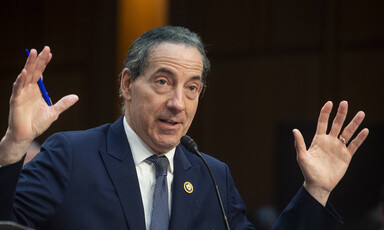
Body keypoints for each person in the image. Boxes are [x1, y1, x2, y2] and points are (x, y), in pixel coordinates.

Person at [0, 26, 369, 230]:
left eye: (192, 87)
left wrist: (316, 190)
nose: (178, 102)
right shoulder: (72, 155)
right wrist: (15, 147)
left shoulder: (212, 175)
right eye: (163, 82)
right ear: (127, 84)